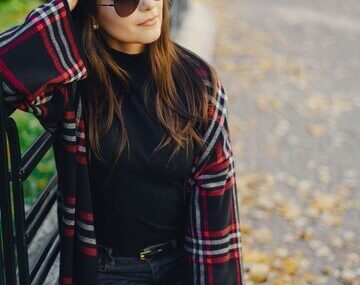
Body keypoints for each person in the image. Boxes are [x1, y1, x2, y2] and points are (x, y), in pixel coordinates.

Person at [0, 0, 245, 284]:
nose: (149, 5)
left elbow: (217, 215)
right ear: (91, 13)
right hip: (106, 271)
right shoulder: (72, 88)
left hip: (182, 264)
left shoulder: (198, 84)